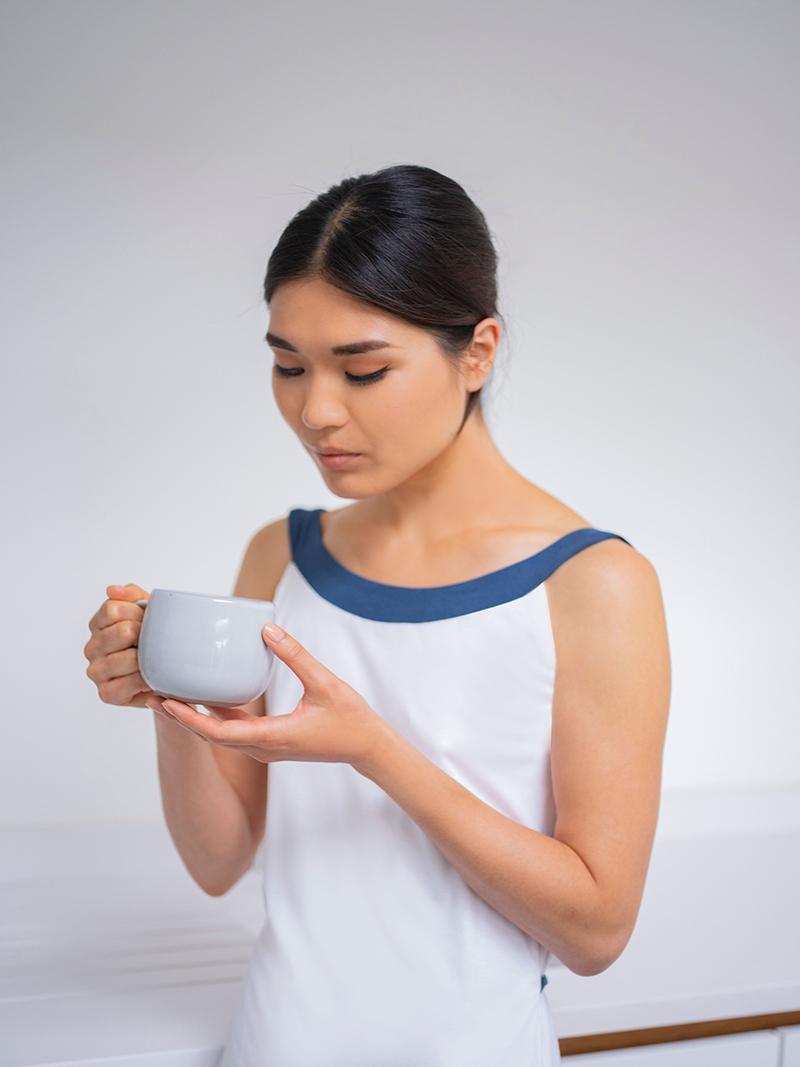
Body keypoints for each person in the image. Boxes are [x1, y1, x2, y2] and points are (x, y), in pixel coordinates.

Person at [83, 163, 671, 1066]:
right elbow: (216, 861)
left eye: (363, 370)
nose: (315, 410)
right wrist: (169, 692)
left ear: (477, 351)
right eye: (288, 365)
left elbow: (595, 930)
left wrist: (374, 749)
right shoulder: (281, 555)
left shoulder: (593, 582)